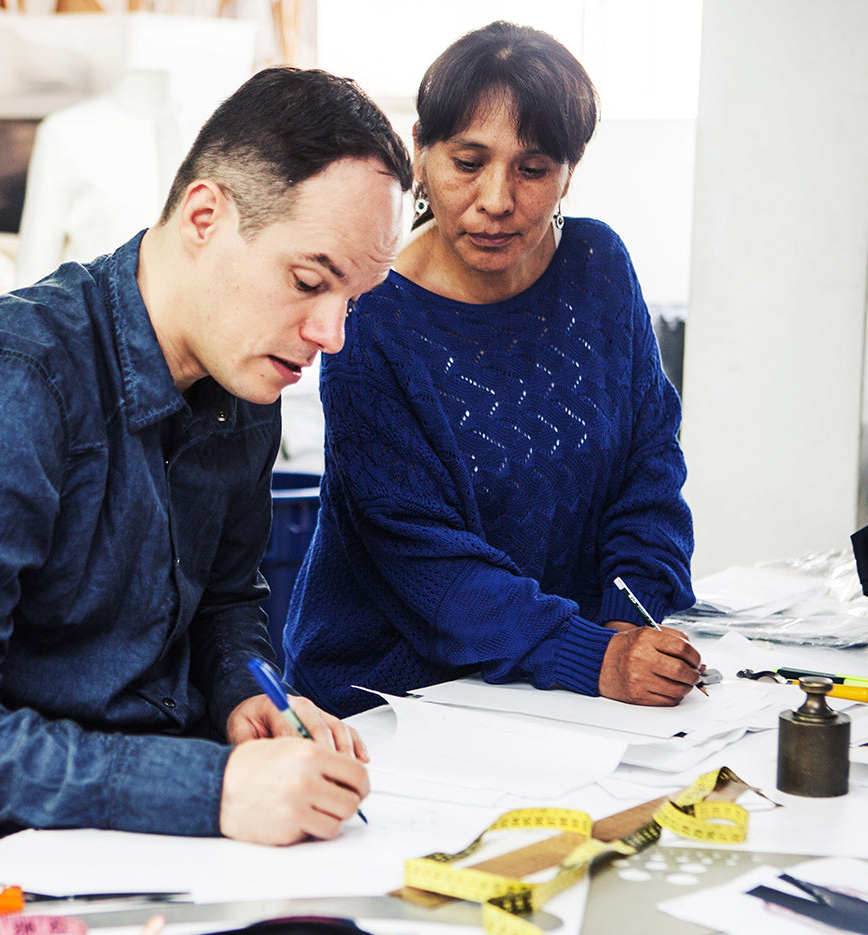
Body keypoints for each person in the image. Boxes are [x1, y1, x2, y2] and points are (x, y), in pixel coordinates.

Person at [0, 68, 412, 887]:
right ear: (205, 217)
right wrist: (210, 787)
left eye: (354, 299)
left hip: (138, 838)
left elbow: (226, 601)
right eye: (311, 282)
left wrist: (248, 695)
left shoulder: (244, 378)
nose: (331, 334)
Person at [284, 22, 699, 718]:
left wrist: (634, 614)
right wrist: (595, 655)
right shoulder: (370, 318)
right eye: (469, 162)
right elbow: (425, 562)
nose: (498, 199)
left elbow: (649, 469)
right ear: (421, 151)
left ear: (572, 168)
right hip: (392, 697)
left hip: (563, 685)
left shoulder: (598, 267)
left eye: (533, 169)